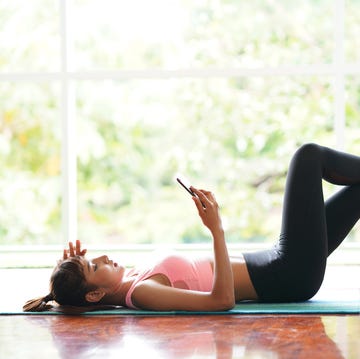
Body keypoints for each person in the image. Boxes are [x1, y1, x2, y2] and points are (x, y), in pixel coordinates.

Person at [23, 143, 360, 312]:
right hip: (289, 273)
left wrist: (70, 279)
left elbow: (74, 297)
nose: (103, 256)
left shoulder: (125, 281)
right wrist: (216, 230)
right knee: (309, 156)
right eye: (94, 266)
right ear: (95, 293)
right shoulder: (141, 293)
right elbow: (222, 301)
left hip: (277, 257)